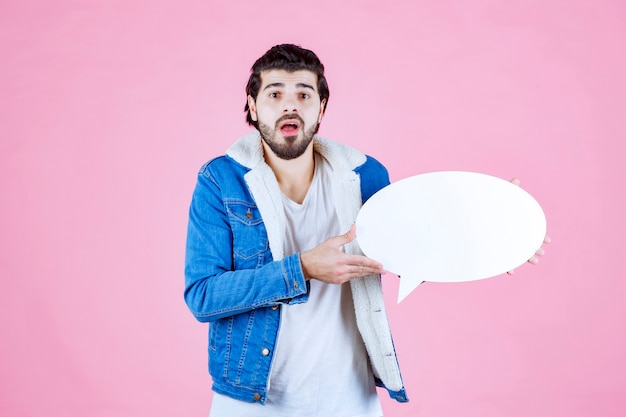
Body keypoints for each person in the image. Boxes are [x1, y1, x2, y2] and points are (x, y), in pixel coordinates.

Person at [184, 43, 407, 417]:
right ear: (253, 107)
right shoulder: (220, 180)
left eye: (304, 94)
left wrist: (499, 234)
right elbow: (203, 296)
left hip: (351, 400)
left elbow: (409, 253)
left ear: (320, 108)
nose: (290, 105)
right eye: (275, 94)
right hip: (252, 401)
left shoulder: (366, 176)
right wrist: (301, 268)